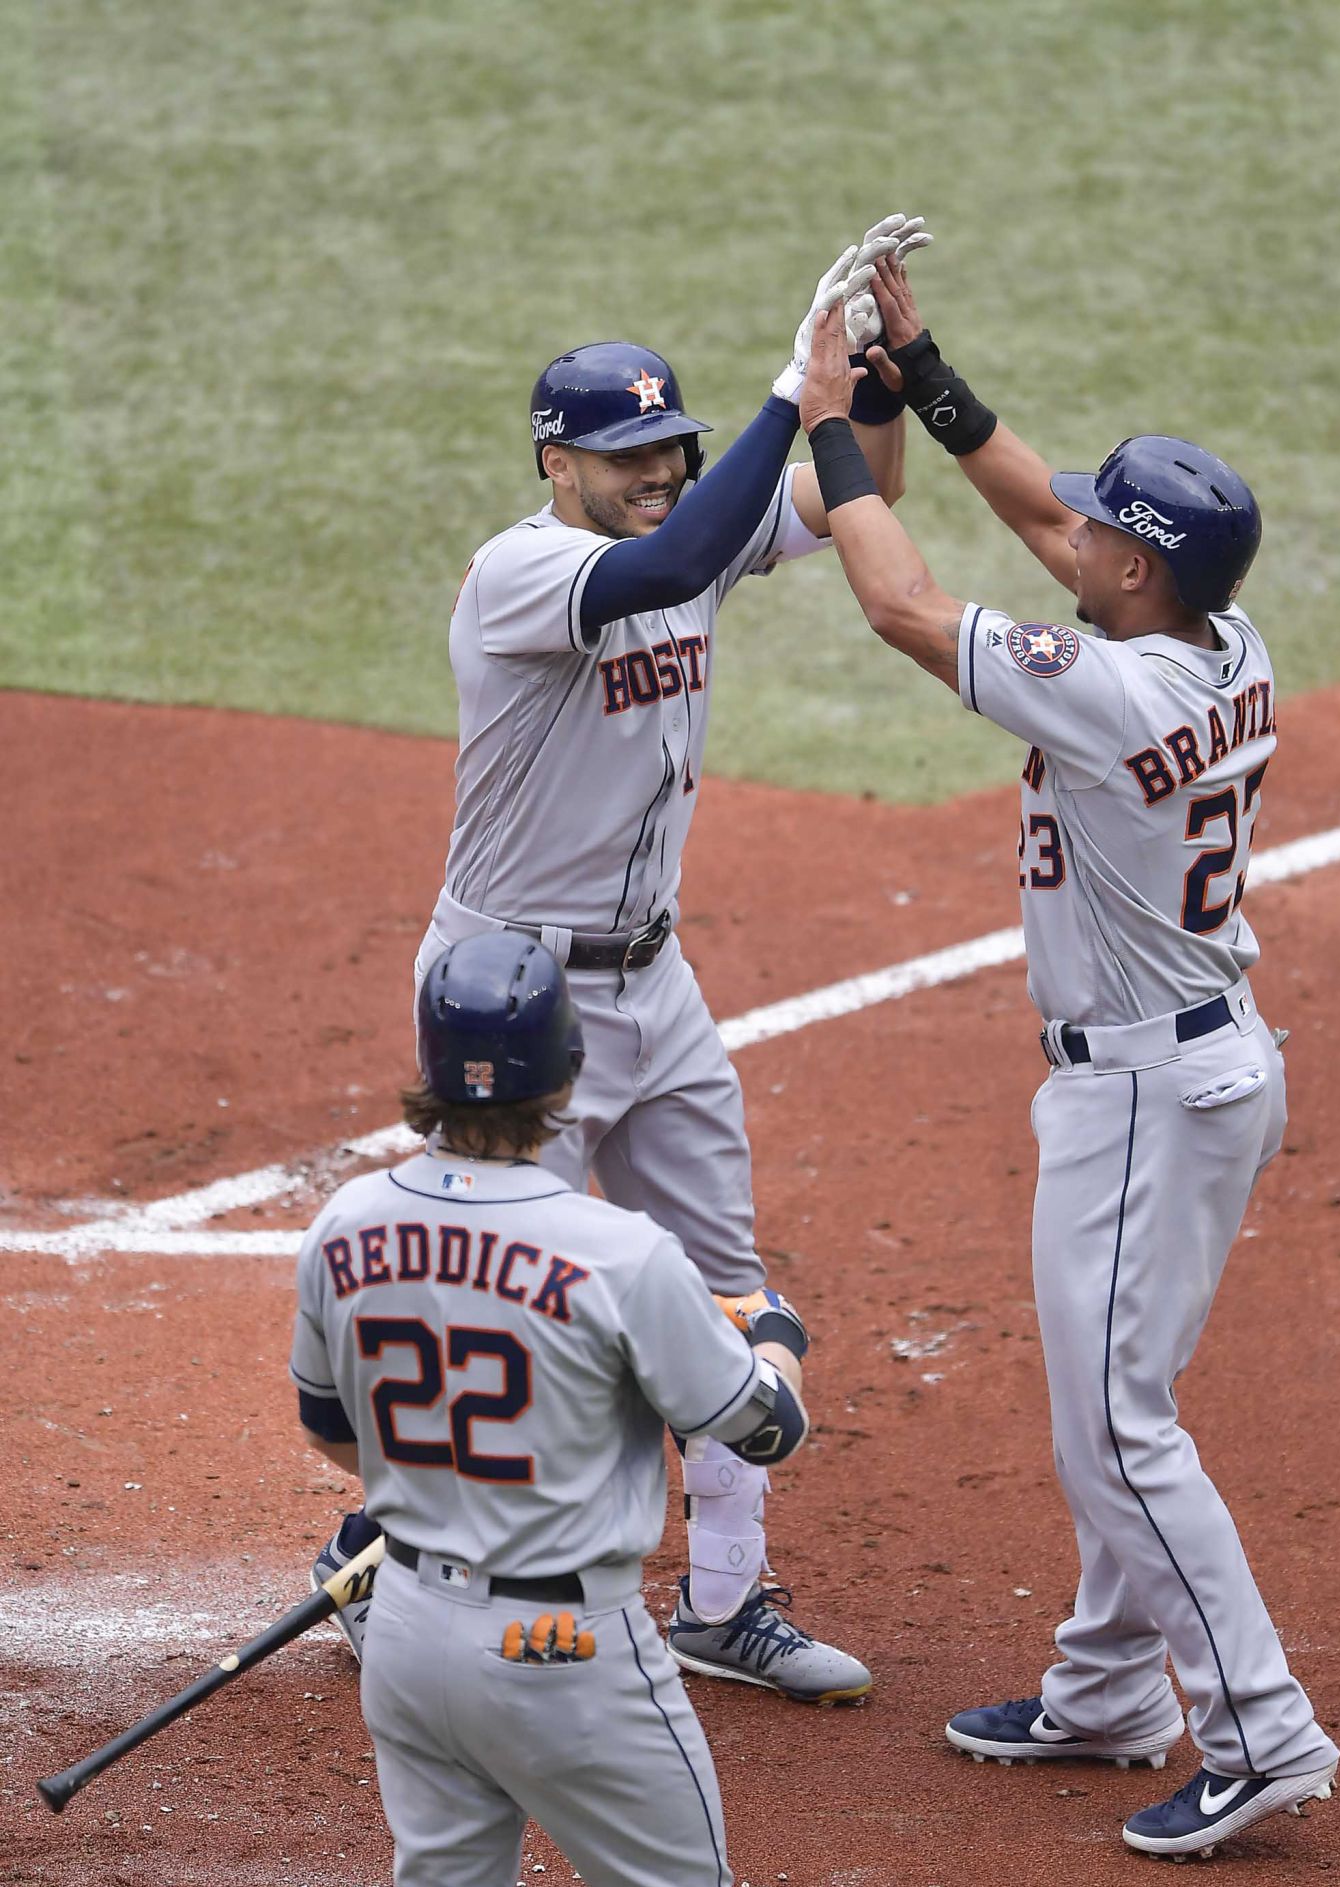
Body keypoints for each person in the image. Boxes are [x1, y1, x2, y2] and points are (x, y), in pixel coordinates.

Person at [313, 214, 933, 1699]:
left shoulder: (686, 528)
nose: (654, 468)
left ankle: (726, 1599)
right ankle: (379, 1551)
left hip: (655, 976)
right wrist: (788, 396)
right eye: (620, 451)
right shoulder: (524, 573)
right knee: (511, 1287)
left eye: (669, 446)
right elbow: (668, 567)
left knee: (723, 1276)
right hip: (510, 989)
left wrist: (878, 379)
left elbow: (863, 495)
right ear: (555, 463)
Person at [791, 270, 1340, 1858]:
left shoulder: (1107, 687)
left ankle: (1256, 1724)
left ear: (1142, 570)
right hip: (1213, 1064)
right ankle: (1109, 1690)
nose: (1077, 531)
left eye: (1109, 527)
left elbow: (901, 607)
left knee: (1114, 1423)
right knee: (1129, 1393)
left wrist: (835, 425)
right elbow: (1044, 527)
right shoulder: (1217, 644)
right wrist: (930, 374)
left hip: (1144, 1097)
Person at [291, 931, 819, 1887]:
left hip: (409, 1628)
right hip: (566, 1650)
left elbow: (336, 1433)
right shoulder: (622, 1251)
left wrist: (447, 1493)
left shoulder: (343, 1228)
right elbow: (762, 1428)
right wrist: (776, 1337)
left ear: (428, 1069)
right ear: (569, 1077)